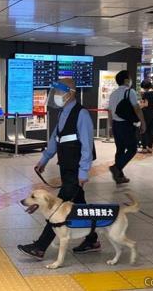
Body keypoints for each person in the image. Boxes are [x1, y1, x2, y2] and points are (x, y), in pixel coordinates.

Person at [18, 78, 100, 258]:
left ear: (69, 93)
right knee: (80, 205)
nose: (55, 96)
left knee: (56, 207)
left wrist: (84, 171)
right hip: (66, 168)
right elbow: (56, 138)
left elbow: (87, 144)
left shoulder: (82, 114)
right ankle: (92, 239)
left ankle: (40, 247)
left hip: (75, 170)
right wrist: (44, 159)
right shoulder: (63, 113)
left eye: (58, 92)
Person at [108, 70, 146, 184]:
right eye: (130, 78)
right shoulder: (130, 92)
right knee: (132, 149)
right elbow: (137, 108)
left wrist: (110, 127)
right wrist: (143, 122)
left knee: (119, 150)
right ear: (126, 80)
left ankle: (119, 176)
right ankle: (116, 167)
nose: (131, 80)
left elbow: (110, 112)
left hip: (116, 125)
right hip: (126, 125)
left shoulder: (113, 94)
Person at [140, 80, 153, 153]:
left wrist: (140, 105)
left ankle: (144, 147)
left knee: (144, 129)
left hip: (145, 112)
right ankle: (150, 147)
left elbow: (146, 104)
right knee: (151, 130)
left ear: (145, 87)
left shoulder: (145, 94)